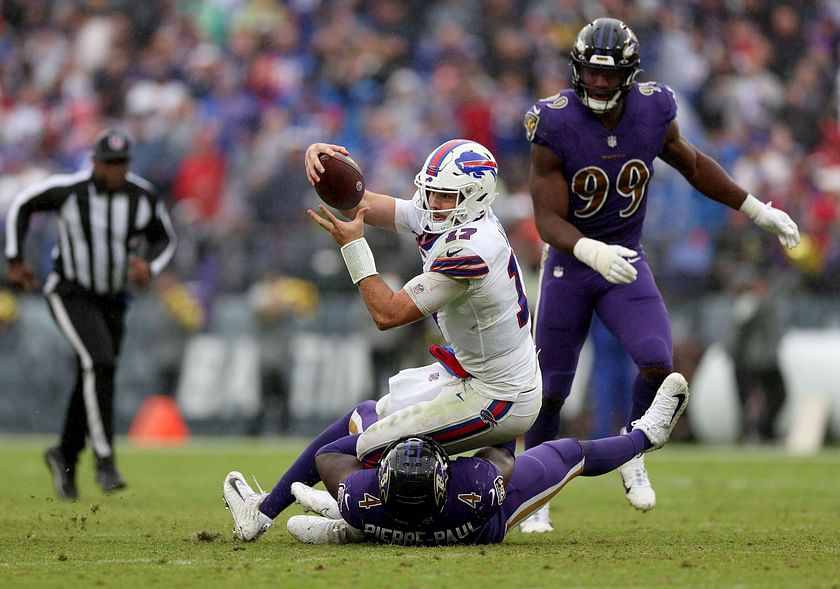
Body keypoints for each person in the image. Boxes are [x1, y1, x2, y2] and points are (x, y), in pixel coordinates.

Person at [519, 17, 800, 531]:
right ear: (578, 70)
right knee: (552, 387)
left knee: (657, 361)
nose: (600, 83)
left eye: (610, 75)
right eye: (592, 73)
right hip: (570, 264)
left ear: (629, 74)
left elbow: (692, 164)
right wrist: (587, 248)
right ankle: (535, 496)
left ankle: (633, 451)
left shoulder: (653, 108)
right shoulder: (553, 122)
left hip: (625, 259)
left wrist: (757, 209)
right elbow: (546, 219)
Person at [222, 139, 541, 541]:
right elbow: (363, 204)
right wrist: (325, 169)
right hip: (479, 374)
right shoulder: (456, 215)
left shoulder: (471, 249)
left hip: (498, 393)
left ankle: (360, 520)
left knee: (352, 451)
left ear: (474, 199)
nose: (431, 204)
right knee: (363, 415)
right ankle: (261, 512)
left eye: (444, 197)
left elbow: (387, 314)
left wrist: (354, 247)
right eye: (431, 191)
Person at [285, 372, 689, 546]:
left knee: (358, 492)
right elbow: (501, 447)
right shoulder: (474, 489)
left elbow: (327, 455)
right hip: (481, 525)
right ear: (446, 478)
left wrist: (375, 430)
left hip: (374, 517)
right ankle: (645, 437)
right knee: (570, 454)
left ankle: (355, 532)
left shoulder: (361, 498)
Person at [4, 128, 177, 500]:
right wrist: (16, 258)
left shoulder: (141, 196)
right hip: (69, 291)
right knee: (99, 362)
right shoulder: (71, 190)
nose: (115, 171)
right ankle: (104, 458)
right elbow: (22, 204)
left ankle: (64, 455)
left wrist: (149, 265)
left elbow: (166, 237)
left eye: (121, 164)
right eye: (109, 163)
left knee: (96, 370)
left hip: (113, 298)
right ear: (95, 162)